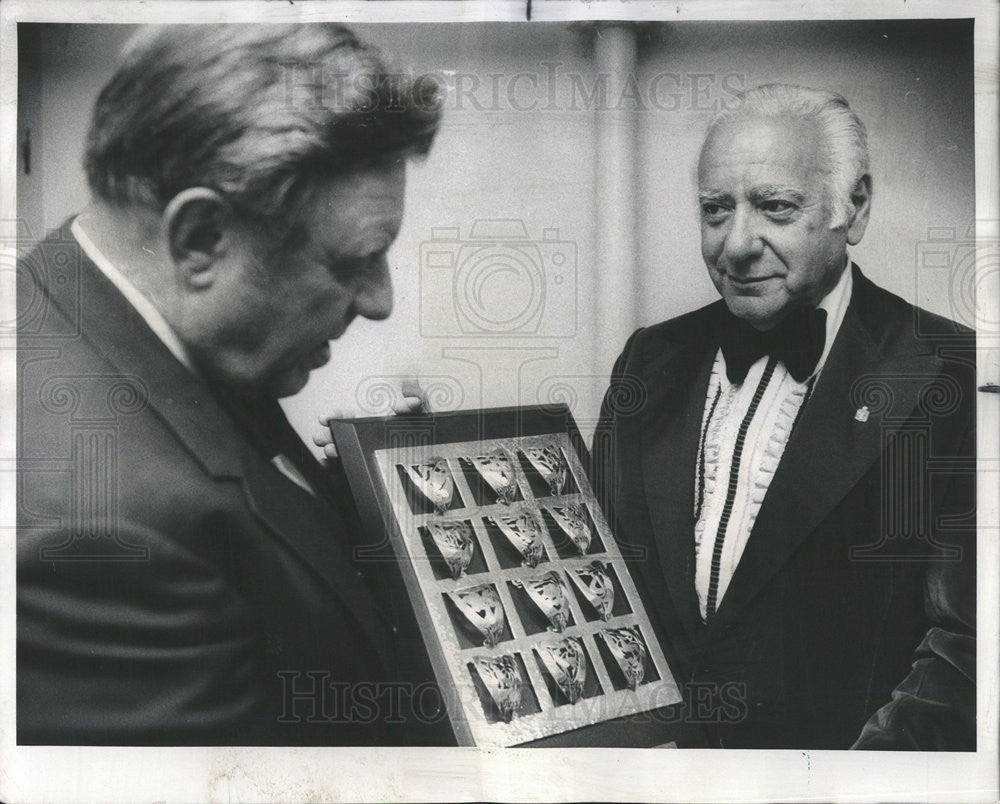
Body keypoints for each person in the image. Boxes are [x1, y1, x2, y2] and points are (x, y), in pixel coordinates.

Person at [17, 24, 442, 745]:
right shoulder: (109, 536)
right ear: (201, 240)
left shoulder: (87, 303)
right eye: (352, 261)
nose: (380, 301)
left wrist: (360, 494)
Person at [592, 84, 975, 750]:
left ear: (853, 208)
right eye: (716, 210)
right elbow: (587, 570)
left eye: (774, 206)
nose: (736, 243)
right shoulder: (648, 361)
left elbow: (967, 647)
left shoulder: (951, 372)